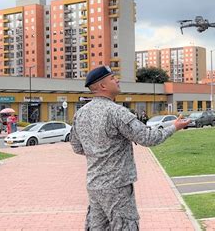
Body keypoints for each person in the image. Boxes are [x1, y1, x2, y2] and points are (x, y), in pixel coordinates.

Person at [70, 66, 190, 230]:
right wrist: (174, 127)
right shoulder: (117, 112)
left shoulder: (81, 113)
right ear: (102, 86)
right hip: (117, 188)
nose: (117, 80)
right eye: (112, 78)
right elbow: (147, 138)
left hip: (94, 185)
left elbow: (77, 147)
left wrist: (99, 152)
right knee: (126, 226)